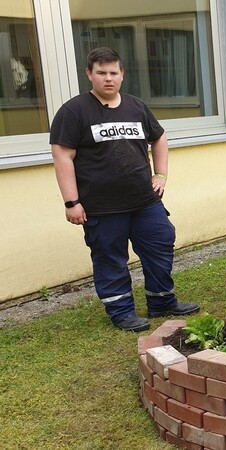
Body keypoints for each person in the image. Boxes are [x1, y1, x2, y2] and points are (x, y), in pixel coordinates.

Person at [50, 47, 199, 332]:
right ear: (89, 74)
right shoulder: (74, 111)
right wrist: (72, 202)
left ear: (122, 74)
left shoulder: (136, 106)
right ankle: (121, 311)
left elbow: (159, 138)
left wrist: (161, 175)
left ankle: (161, 301)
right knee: (110, 257)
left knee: (160, 244)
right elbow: (62, 156)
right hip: (101, 206)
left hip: (145, 199)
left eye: (113, 73)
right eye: (101, 73)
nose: (108, 79)